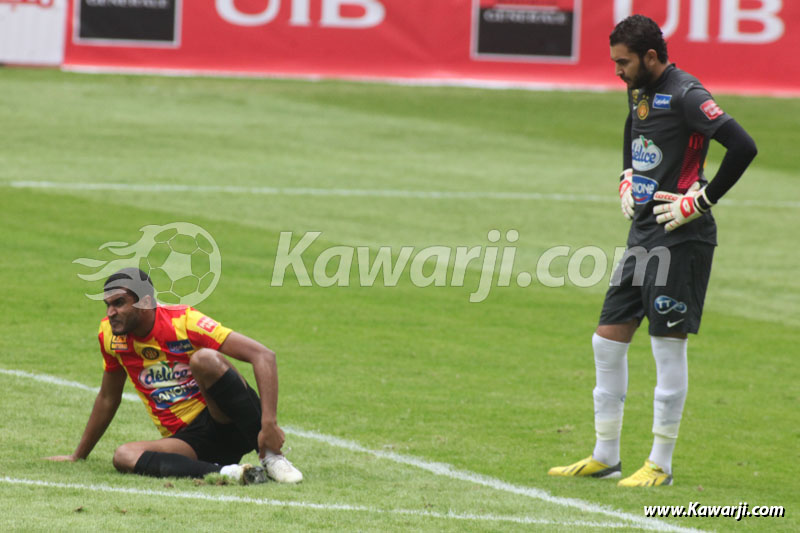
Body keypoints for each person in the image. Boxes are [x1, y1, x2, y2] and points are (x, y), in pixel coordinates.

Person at [548, 15, 757, 487]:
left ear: (650, 57)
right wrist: (627, 173)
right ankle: (605, 456)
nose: (617, 71)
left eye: (623, 63)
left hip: (682, 237)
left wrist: (701, 199)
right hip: (643, 235)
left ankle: (659, 464)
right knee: (606, 340)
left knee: (666, 348)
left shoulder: (688, 94)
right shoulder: (638, 86)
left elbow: (743, 145)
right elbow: (633, 126)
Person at [46, 267, 303, 485]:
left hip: (225, 419)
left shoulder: (183, 321)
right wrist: (78, 455)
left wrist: (269, 424)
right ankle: (234, 473)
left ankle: (272, 457)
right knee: (124, 455)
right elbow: (107, 398)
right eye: (108, 305)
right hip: (189, 442)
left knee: (205, 359)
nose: (110, 313)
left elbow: (264, 356)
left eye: (119, 303)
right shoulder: (110, 336)